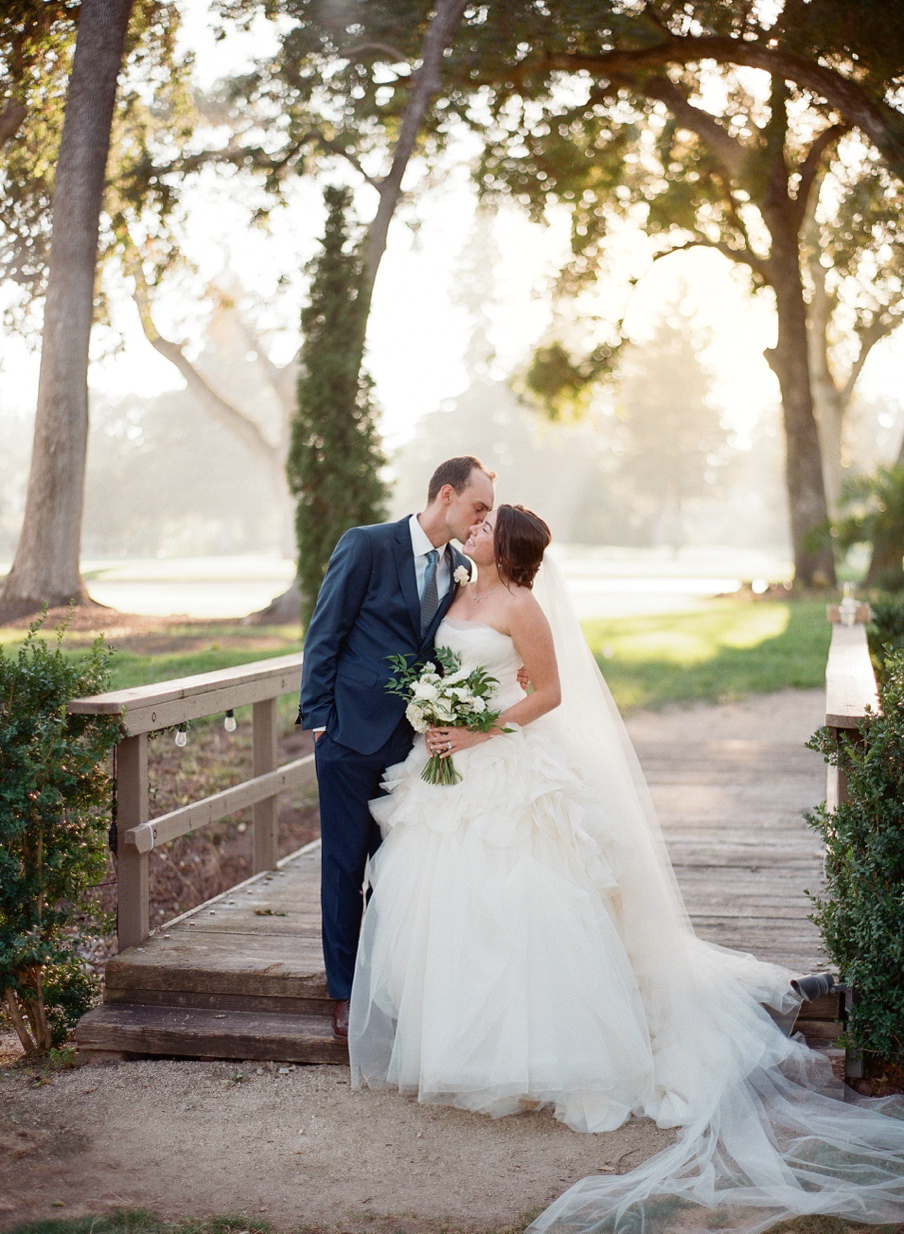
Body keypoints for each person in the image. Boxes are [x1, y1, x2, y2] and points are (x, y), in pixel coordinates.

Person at [349, 504, 904, 1234]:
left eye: (486, 527)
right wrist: (434, 714)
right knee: (447, 901)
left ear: (507, 547)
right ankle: (461, 1052)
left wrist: (478, 730)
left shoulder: (522, 605)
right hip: (446, 762)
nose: (474, 529)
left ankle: (539, 1059)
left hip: (501, 761)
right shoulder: (454, 589)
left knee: (526, 901)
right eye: (475, 523)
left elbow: (547, 693)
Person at [297, 456, 496, 1040]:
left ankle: (385, 981)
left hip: (413, 745)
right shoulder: (366, 545)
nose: (483, 520)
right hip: (348, 735)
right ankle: (344, 991)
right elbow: (324, 632)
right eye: (478, 508)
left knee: (398, 868)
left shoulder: (460, 567)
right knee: (343, 863)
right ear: (446, 495)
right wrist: (318, 721)